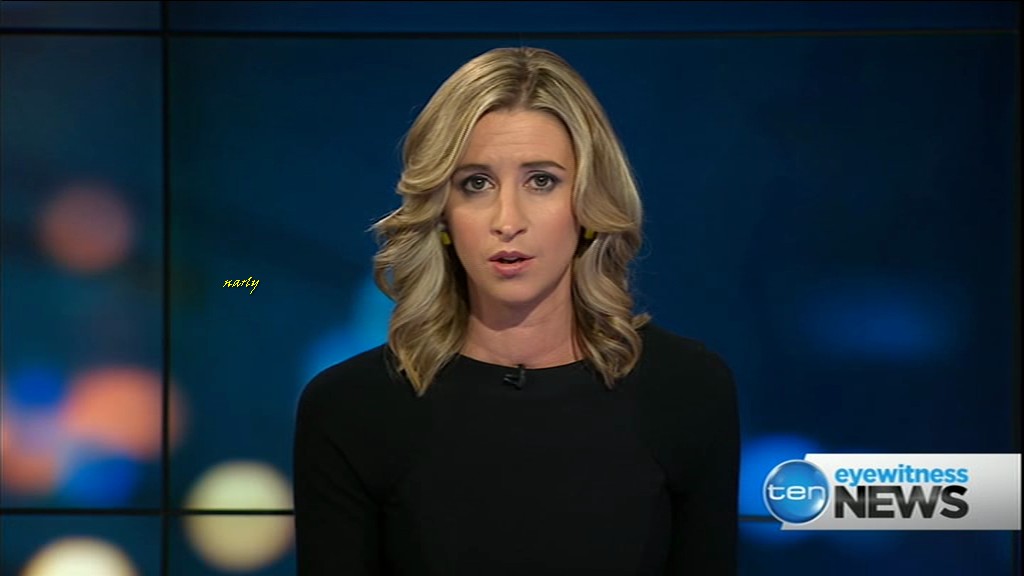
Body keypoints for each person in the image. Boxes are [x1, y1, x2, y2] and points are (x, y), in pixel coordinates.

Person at [293, 46, 739, 575]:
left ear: (589, 203)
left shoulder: (688, 388)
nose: (508, 220)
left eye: (541, 180)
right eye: (476, 183)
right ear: (442, 213)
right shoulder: (349, 408)